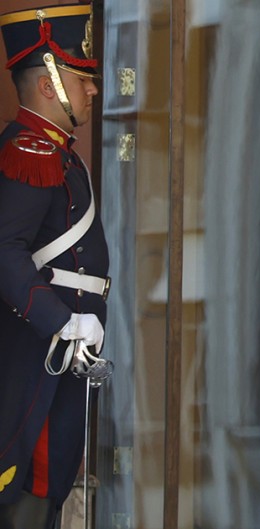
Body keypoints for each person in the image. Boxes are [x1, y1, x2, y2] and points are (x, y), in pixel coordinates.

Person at [0, 4, 110, 528]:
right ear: (48, 84)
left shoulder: (57, 152)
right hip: (39, 356)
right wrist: (62, 322)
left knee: (48, 489)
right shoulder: (31, 151)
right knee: (31, 490)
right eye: (80, 77)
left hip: (61, 354)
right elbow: (4, 249)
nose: (92, 89)